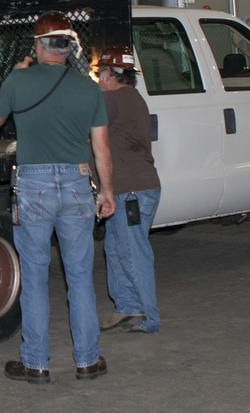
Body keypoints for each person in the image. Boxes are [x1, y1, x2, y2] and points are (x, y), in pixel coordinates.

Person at [0, 13, 115, 384]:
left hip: (34, 185)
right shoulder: (88, 88)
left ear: (40, 46)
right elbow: (101, 147)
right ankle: (88, 361)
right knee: (79, 277)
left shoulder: (20, 80)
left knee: (36, 276)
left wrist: (14, 75)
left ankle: (36, 364)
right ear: (70, 48)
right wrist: (107, 191)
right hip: (77, 182)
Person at [96, 46, 161, 334]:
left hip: (130, 191)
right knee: (115, 247)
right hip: (131, 189)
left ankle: (150, 316)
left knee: (133, 252)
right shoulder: (133, 98)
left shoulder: (113, 100)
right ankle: (127, 306)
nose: (98, 79)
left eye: (100, 74)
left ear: (111, 76)